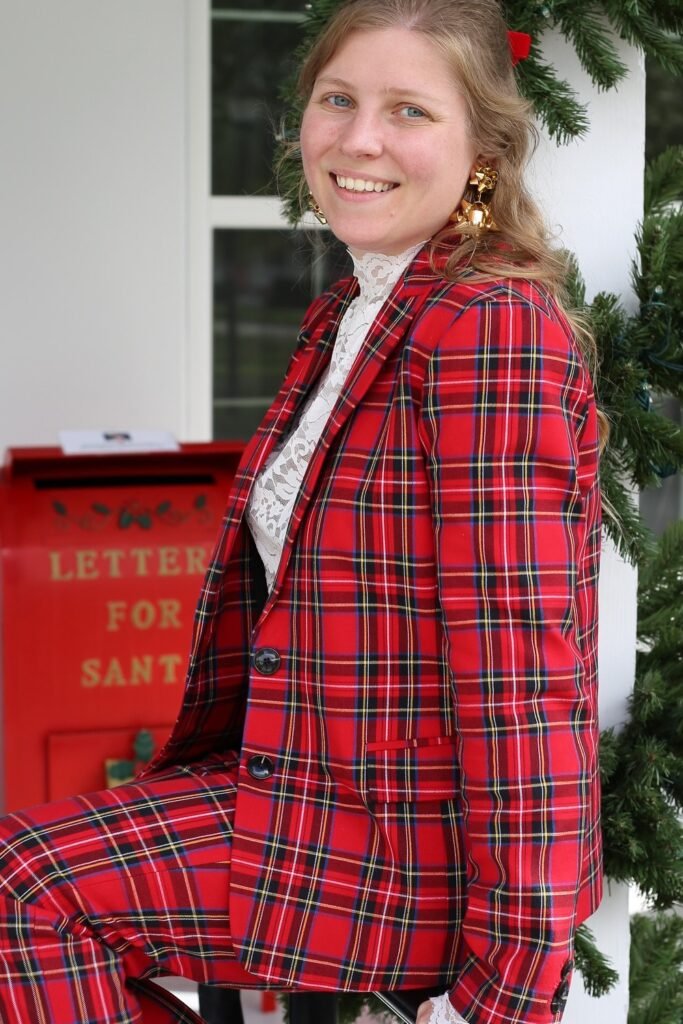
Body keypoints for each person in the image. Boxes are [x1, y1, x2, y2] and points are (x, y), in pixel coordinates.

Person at [0, 0, 604, 1021]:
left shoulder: (488, 329)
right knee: (28, 880)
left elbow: (522, 677)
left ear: (482, 154)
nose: (357, 139)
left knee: (26, 887)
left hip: (400, 854)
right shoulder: (354, 311)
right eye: (338, 99)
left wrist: (505, 992)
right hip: (305, 794)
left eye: (407, 110)